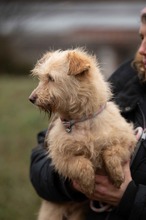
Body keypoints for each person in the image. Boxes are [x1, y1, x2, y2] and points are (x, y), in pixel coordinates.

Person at [30, 7, 146, 220]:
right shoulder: (128, 76)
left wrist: (130, 198)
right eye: (141, 37)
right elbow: (39, 161)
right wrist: (70, 182)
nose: (142, 50)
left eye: (51, 80)